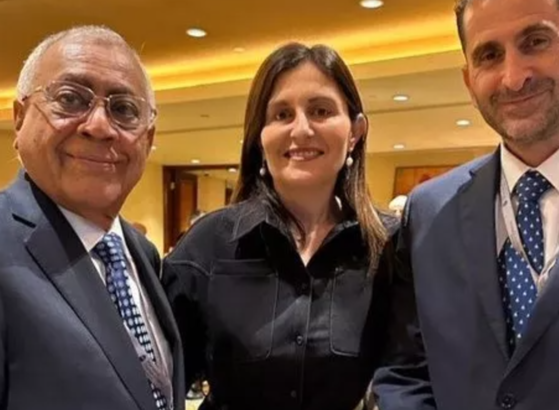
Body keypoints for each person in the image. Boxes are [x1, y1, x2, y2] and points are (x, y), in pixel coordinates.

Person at [372, 0, 559, 409]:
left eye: (536, 41)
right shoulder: (429, 211)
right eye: (489, 55)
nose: (514, 78)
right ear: (469, 82)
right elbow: (406, 369)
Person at [163, 42, 398, 410]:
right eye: (282, 114)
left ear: (355, 131)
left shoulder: (390, 247)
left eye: (321, 111)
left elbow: (409, 376)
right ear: (260, 136)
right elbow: (161, 381)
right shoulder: (209, 244)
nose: (301, 129)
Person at [0, 26, 184, 410]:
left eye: (124, 109)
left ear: (148, 139)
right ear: (19, 118)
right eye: (70, 99)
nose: (99, 126)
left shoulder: (142, 254)